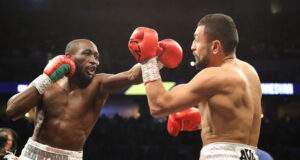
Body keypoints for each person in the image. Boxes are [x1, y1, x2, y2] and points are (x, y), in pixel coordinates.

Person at [129, 14, 262, 160]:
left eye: (197, 40)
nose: (192, 46)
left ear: (215, 46)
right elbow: (239, 122)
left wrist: (148, 60)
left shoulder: (215, 74)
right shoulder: (250, 73)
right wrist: (202, 120)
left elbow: (158, 105)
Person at [5, 39, 144, 160]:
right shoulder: (48, 82)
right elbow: (12, 111)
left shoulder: (99, 84)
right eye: (87, 53)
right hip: (32, 154)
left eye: (96, 57)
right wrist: (46, 78)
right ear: (68, 57)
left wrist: (154, 56)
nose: (94, 60)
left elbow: (132, 76)